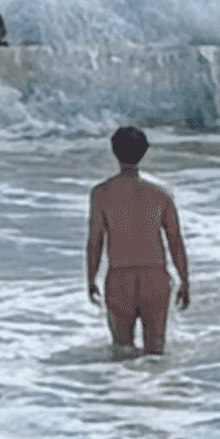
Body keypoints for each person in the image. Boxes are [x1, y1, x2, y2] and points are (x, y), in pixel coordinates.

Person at [85, 125, 191, 355]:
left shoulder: (101, 193)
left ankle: (124, 389)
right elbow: (175, 241)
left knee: (122, 351)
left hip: (119, 276)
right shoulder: (161, 193)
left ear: (114, 152)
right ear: (144, 151)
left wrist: (91, 278)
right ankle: (156, 388)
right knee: (155, 352)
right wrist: (184, 280)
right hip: (155, 277)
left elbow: (95, 242)